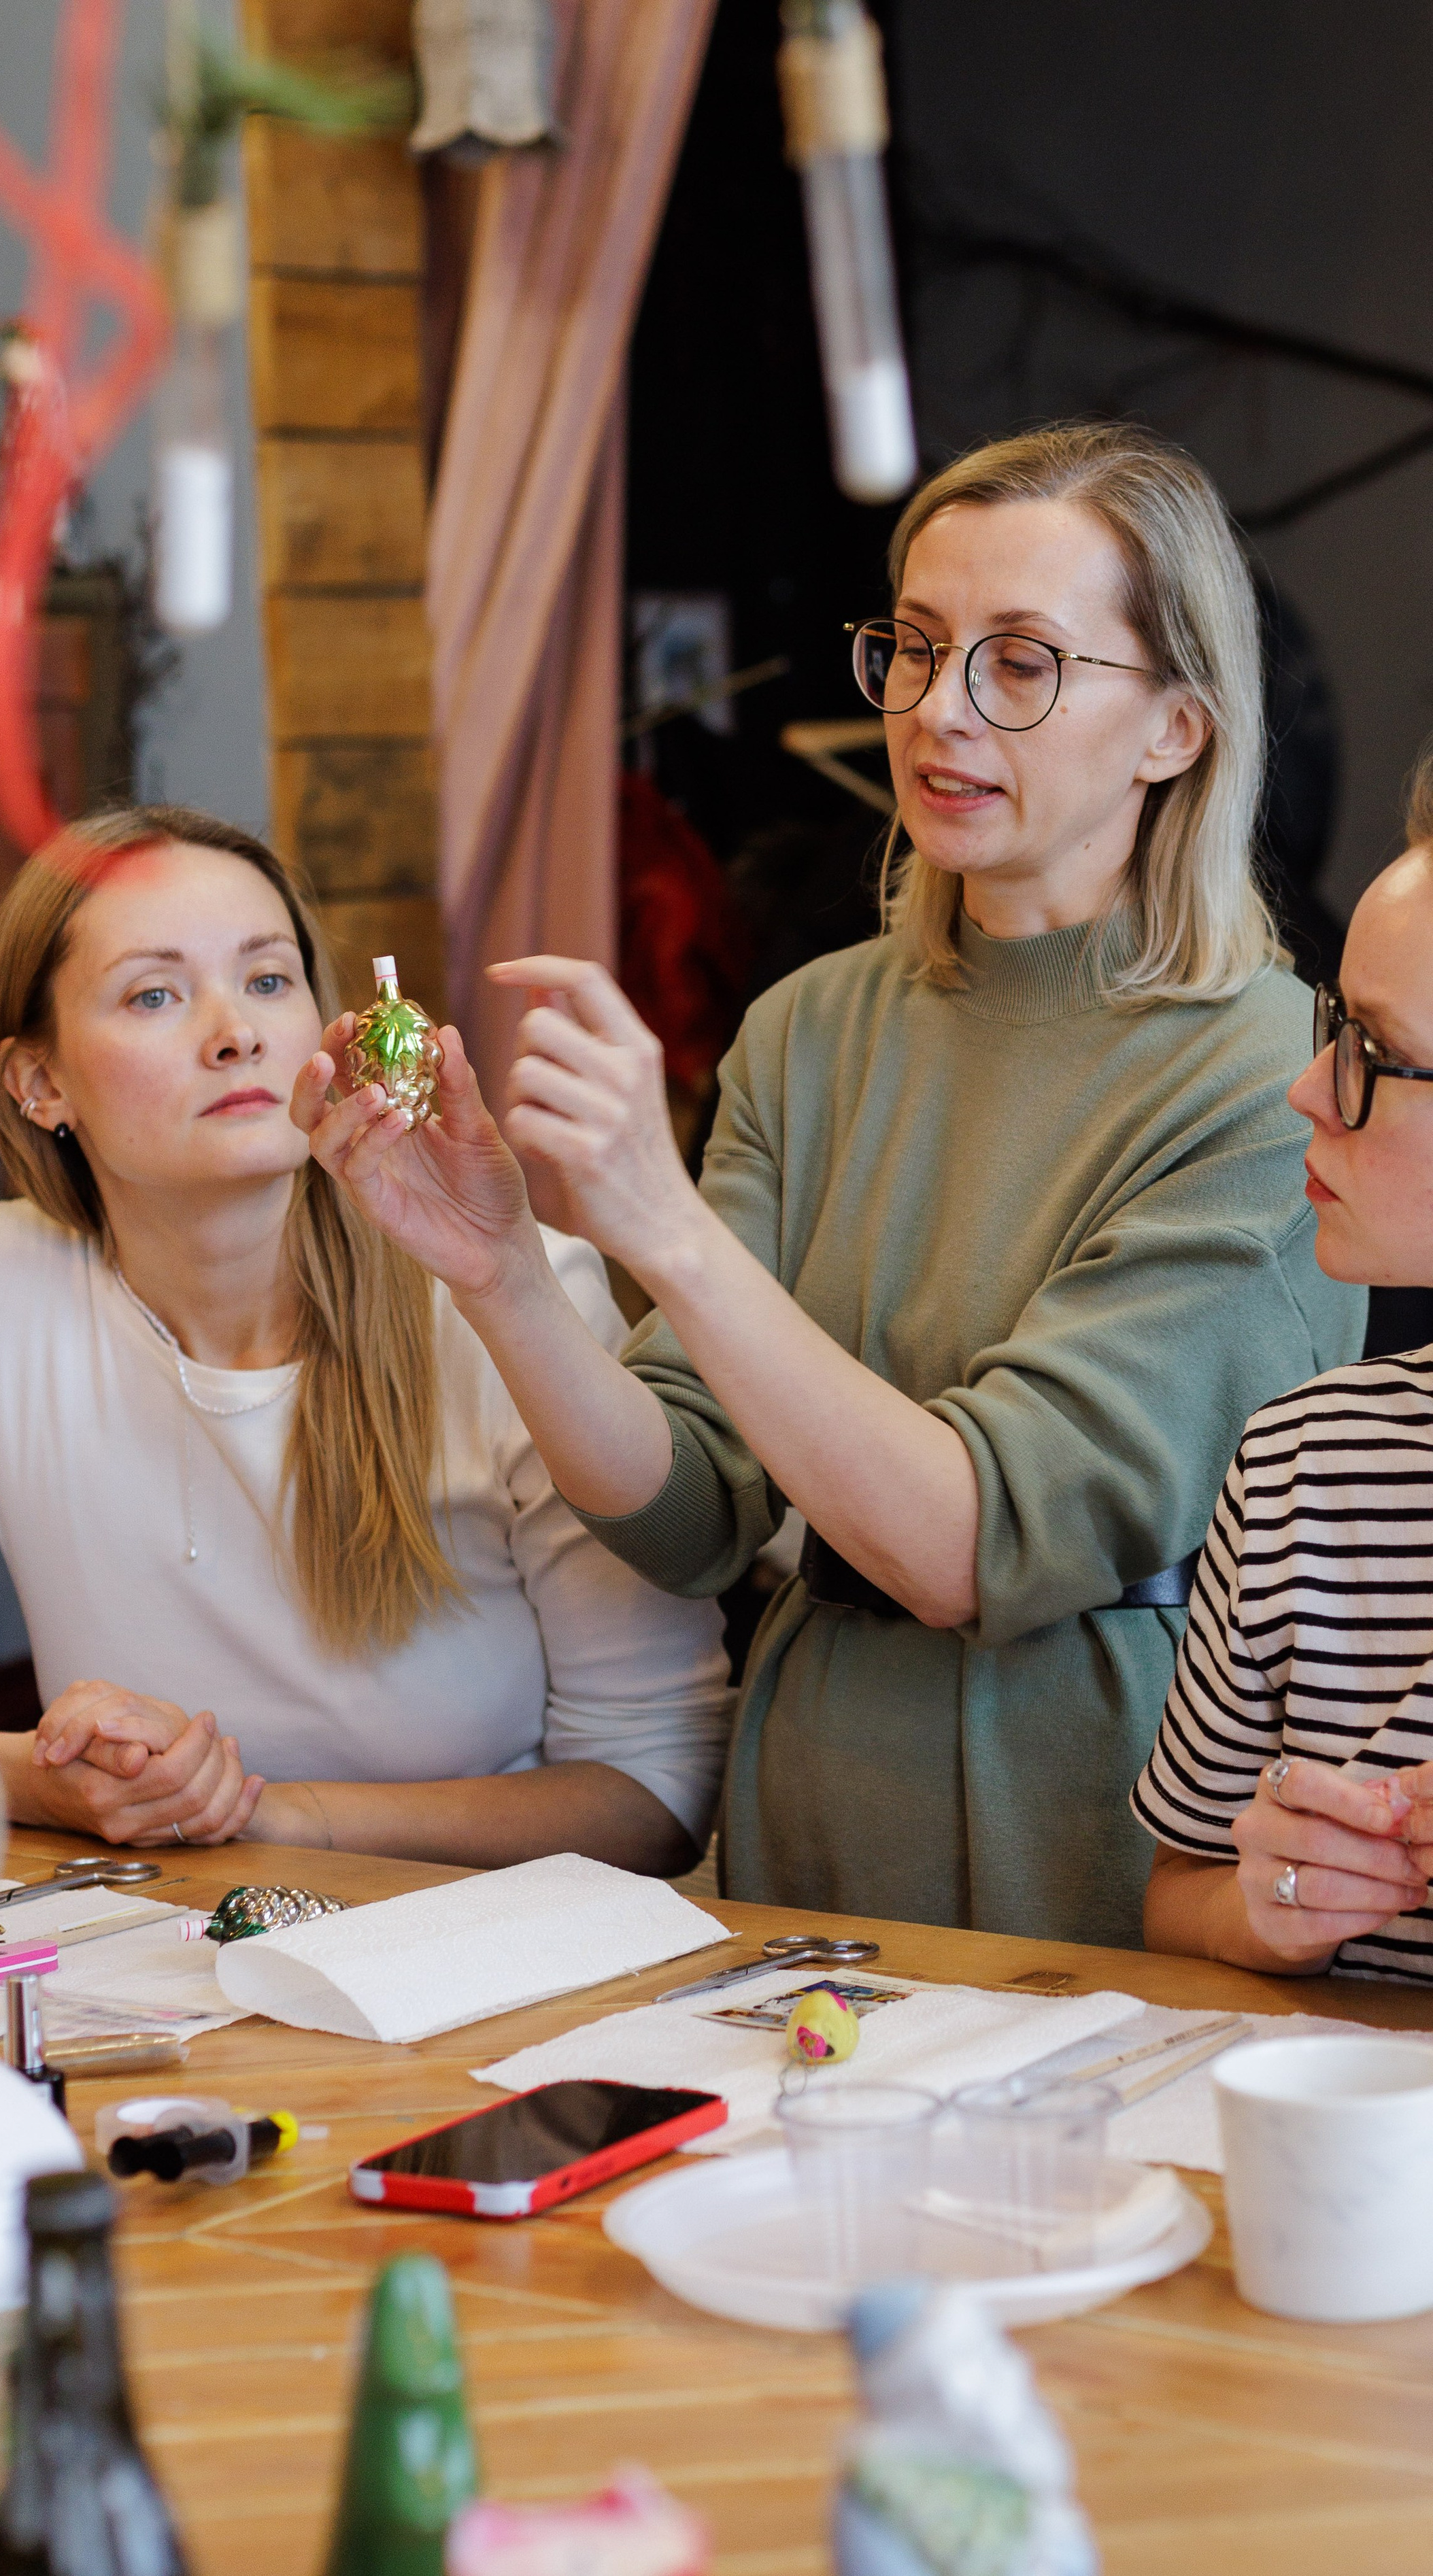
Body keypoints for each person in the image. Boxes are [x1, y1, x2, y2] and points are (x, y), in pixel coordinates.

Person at [296, 422, 1364, 1946]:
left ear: (1174, 730)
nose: (937, 714)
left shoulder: (1268, 1080)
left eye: (1020, 663)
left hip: (1093, 1830)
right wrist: (504, 1278)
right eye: (915, 649)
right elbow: (684, 1508)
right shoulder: (812, 1025)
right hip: (809, 1823)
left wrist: (656, 1220)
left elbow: (970, 1542)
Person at [0, 807, 729, 1869]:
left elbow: (658, 1787)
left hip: (489, 1977)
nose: (234, 1031)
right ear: (39, 1083)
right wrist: (34, 1782)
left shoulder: (509, 1295)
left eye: (269, 980)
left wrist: (261, 1816)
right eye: (155, 993)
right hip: (153, 1971)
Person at [1136, 756, 1433, 1980]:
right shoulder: (1309, 1461)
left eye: (1377, 1050)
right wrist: (1280, 1906)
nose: (1310, 1089)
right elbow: (1180, 1898)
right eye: (1333, 1025)